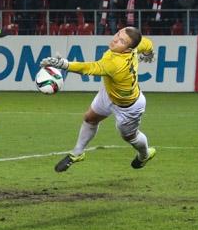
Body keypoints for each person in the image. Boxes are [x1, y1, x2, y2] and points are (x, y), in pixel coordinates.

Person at [40, 27, 157, 172]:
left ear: (128, 49)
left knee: (130, 137)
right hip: (109, 93)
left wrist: (64, 64)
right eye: (118, 34)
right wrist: (148, 53)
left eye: (122, 41)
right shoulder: (136, 44)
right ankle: (77, 153)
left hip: (128, 106)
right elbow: (147, 44)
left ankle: (144, 155)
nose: (116, 40)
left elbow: (88, 68)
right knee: (90, 118)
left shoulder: (115, 63)